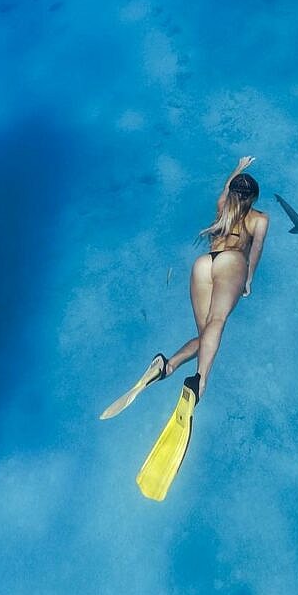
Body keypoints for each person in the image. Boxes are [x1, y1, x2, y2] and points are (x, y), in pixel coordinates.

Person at [100, 156, 269, 419]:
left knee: (206, 336)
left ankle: (167, 366)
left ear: (233, 193)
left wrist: (237, 169)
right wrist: (248, 278)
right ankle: (199, 383)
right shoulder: (260, 219)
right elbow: (255, 250)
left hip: (203, 264)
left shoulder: (223, 206)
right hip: (232, 262)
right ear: (254, 198)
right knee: (217, 322)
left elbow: (226, 189)